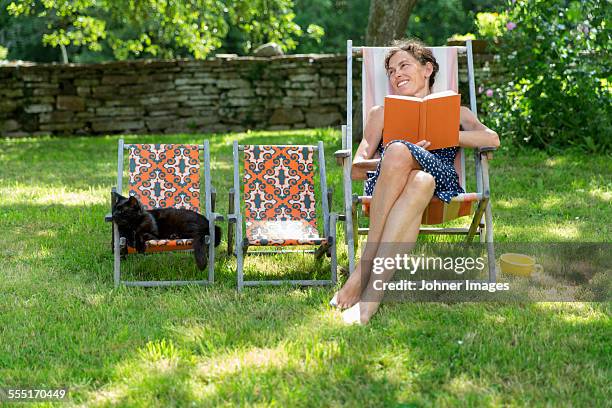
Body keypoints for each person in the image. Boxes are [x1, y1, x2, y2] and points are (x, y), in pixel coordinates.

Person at [331, 39, 500, 324]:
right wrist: (398, 158)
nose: (397, 74)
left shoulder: (454, 111)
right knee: (415, 177)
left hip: (442, 181)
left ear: (427, 69)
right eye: (391, 71)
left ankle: (363, 268)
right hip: (396, 186)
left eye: (404, 65)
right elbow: (357, 170)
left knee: (401, 151)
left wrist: (448, 134)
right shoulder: (380, 114)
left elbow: (492, 139)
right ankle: (372, 297)